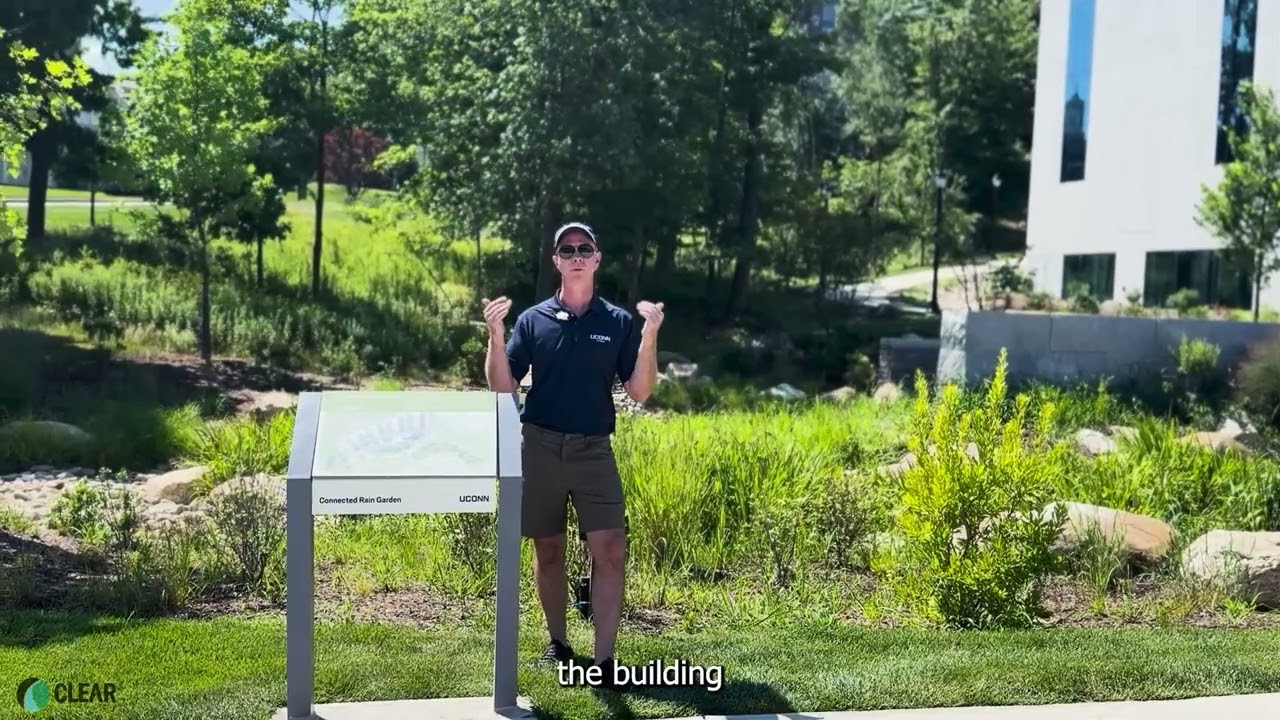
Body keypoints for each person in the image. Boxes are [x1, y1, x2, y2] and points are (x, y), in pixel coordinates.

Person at [480, 221, 663, 690]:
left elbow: (640, 391)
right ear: (557, 260)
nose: (577, 255)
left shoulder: (618, 322)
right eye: (568, 249)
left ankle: (603, 663)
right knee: (549, 549)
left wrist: (649, 335)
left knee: (611, 549)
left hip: (593, 451)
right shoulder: (533, 320)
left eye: (585, 248)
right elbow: (503, 387)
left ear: (597, 259)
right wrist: (496, 335)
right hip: (539, 446)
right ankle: (558, 644)